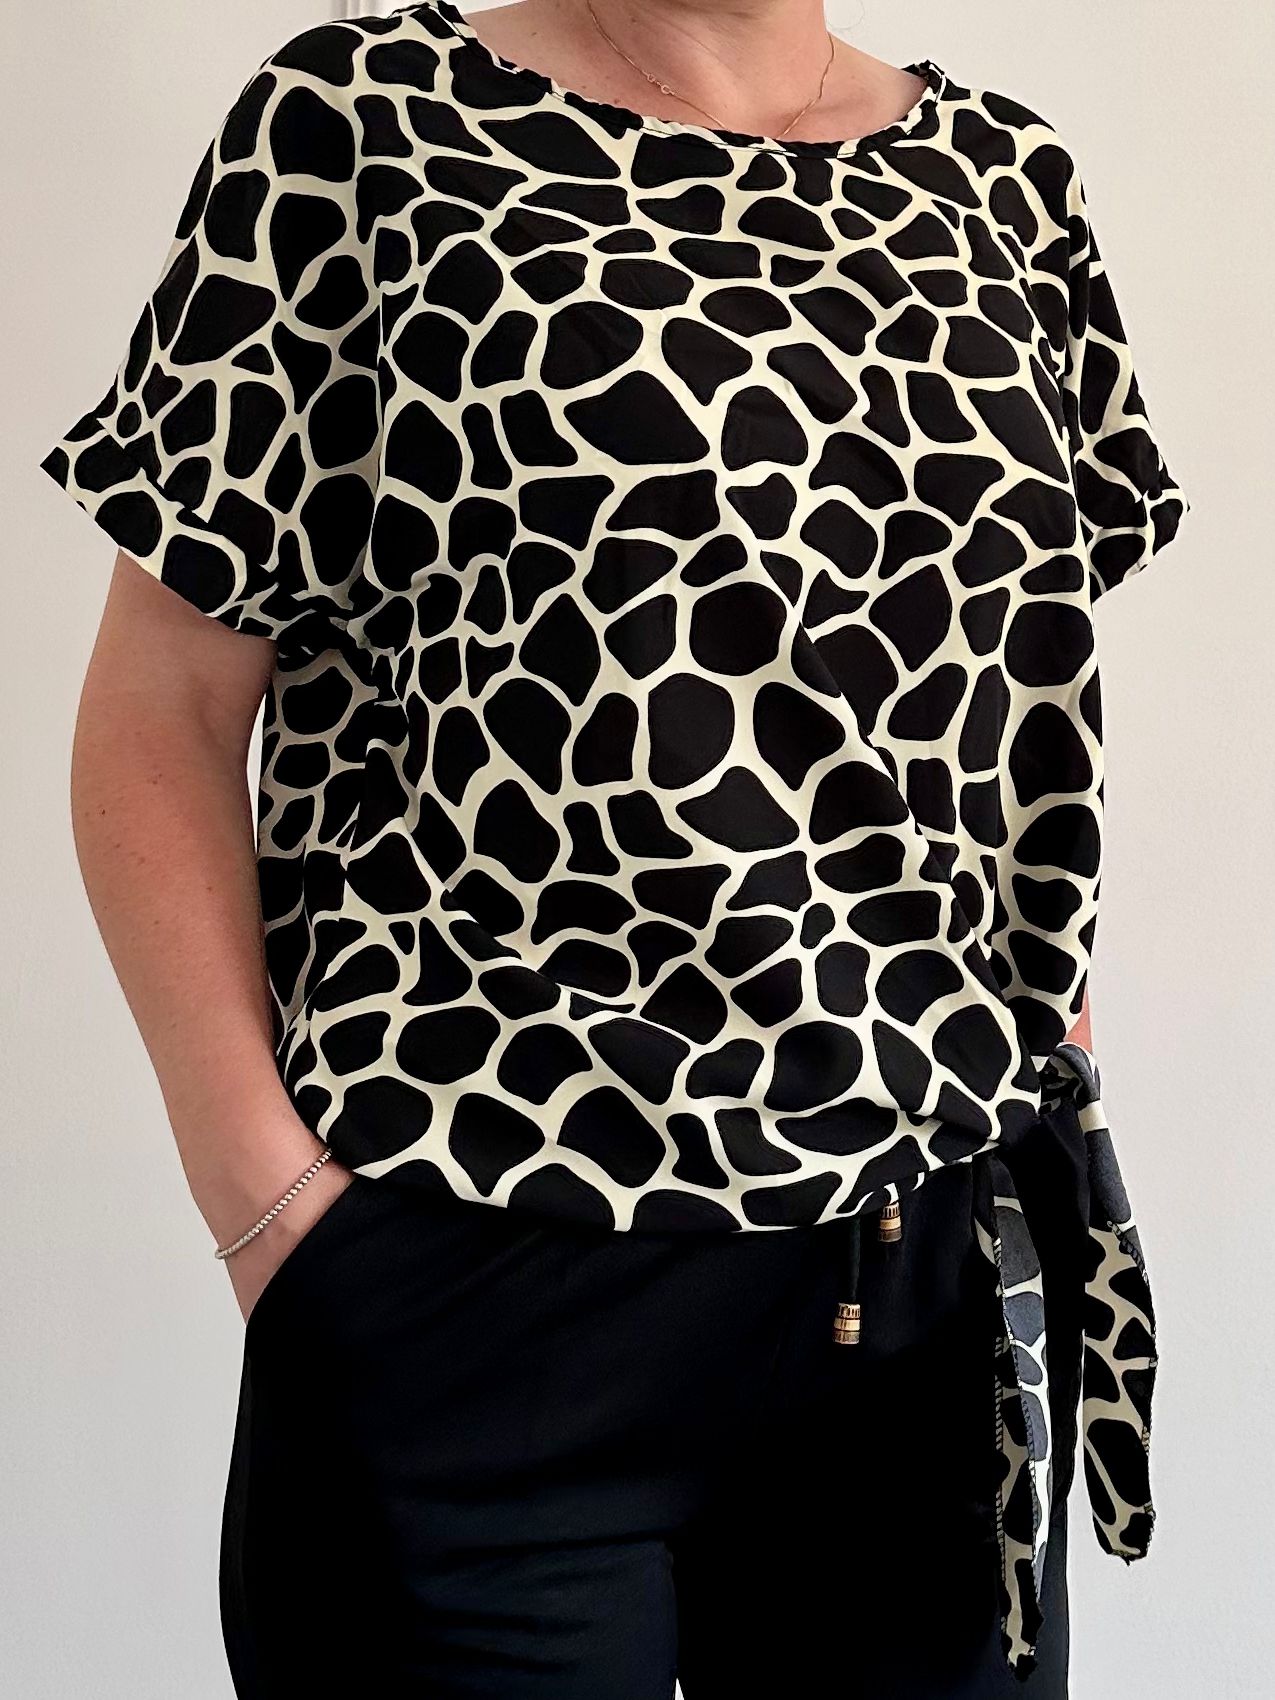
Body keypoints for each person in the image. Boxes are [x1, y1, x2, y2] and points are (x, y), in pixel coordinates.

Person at [38, 1, 1189, 1694]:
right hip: (480, 1289)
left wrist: (1038, 1034)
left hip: (921, 1300)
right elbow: (165, 710)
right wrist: (275, 1214)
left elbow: (1005, 704)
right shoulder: (364, 124)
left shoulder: (1006, 181)